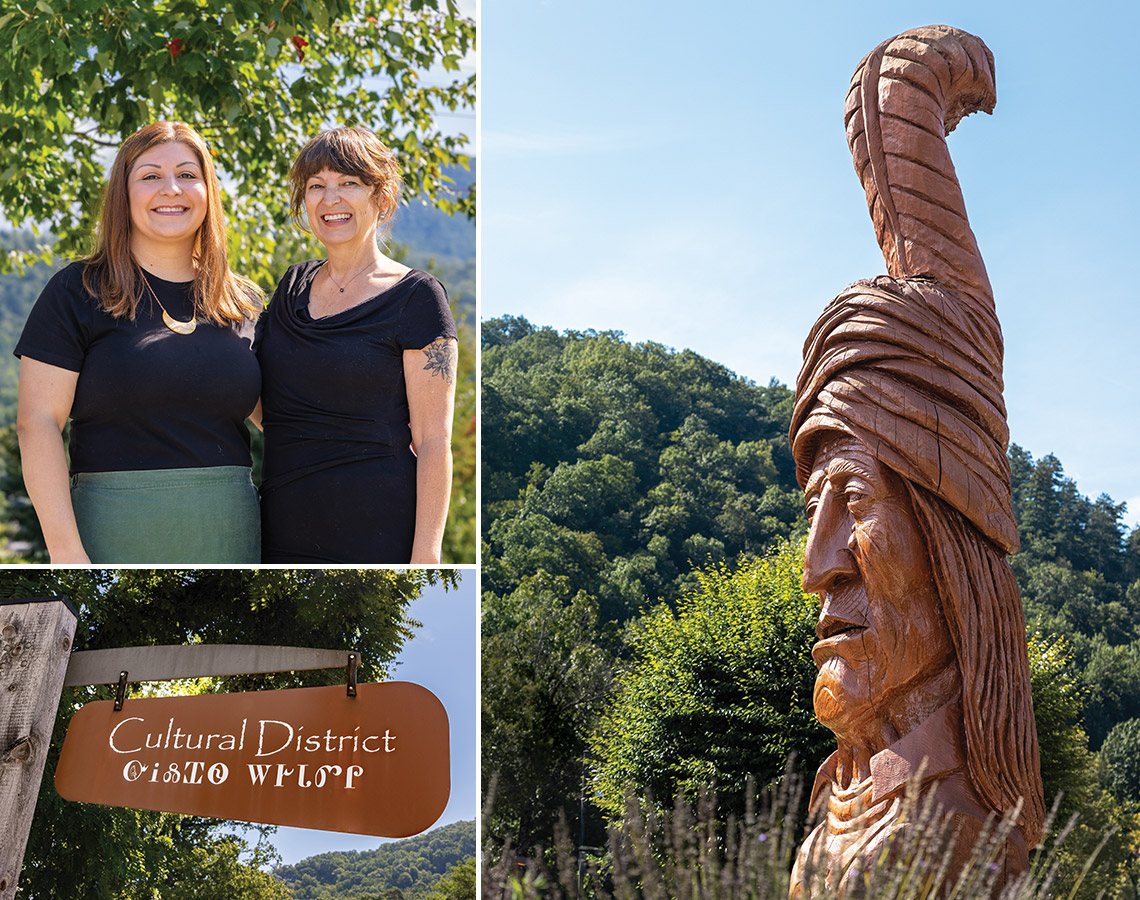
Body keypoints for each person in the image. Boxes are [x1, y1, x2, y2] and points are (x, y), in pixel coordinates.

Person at [788, 26, 1043, 897]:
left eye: (856, 502)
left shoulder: (955, 834)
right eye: (814, 510)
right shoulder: (842, 803)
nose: (817, 566)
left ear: (949, 548)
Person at [14, 122, 263, 564]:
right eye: (150, 176)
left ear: (208, 191)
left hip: (231, 534)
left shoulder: (242, 302)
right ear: (123, 194)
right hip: (109, 533)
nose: (171, 189)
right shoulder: (78, 291)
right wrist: (66, 551)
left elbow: (286, 421)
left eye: (187, 174)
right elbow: (38, 424)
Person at [255, 127, 456, 564]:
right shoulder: (290, 286)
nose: (330, 200)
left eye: (348, 183)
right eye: (316, 186)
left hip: (377, 533)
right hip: (279, 525)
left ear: (382, 198)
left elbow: (433, 441)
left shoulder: (417, 297)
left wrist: (426, 555)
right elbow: (264, 404)